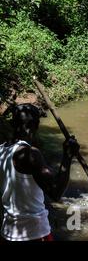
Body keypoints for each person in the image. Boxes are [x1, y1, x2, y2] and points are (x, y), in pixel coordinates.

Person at [0, 103, 79, 241]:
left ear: (12, 123)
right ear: (36, 126)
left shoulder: (1, 150)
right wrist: (67, 156)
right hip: (34, 233)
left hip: (8, 231)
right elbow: (56, 193)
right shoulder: (30, 154)